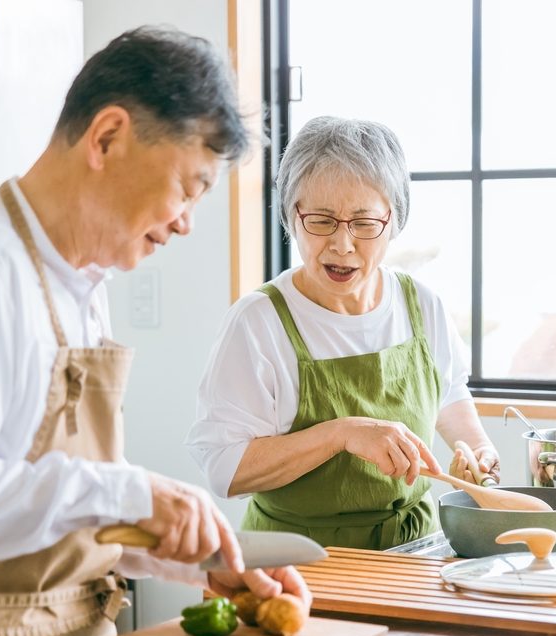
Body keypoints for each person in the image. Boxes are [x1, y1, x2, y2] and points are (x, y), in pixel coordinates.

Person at [0, 28, 309, 636]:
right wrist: (132, 493)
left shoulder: (85, 286)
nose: (186, 221)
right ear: (107, 137)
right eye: (189, 186)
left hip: (67, 632)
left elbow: (46, 513)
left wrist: (195, 560)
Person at [186, 116, 501, 550]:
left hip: (415, 549)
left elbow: (449, 393)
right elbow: (225, 468)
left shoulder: (421, 303)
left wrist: (477, 451)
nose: (342, 244)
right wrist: (342, 433)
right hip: (296, 559)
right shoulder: (258, 321)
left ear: (393, 222)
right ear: (290, 218)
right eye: (321, 220)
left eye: (364, 222)